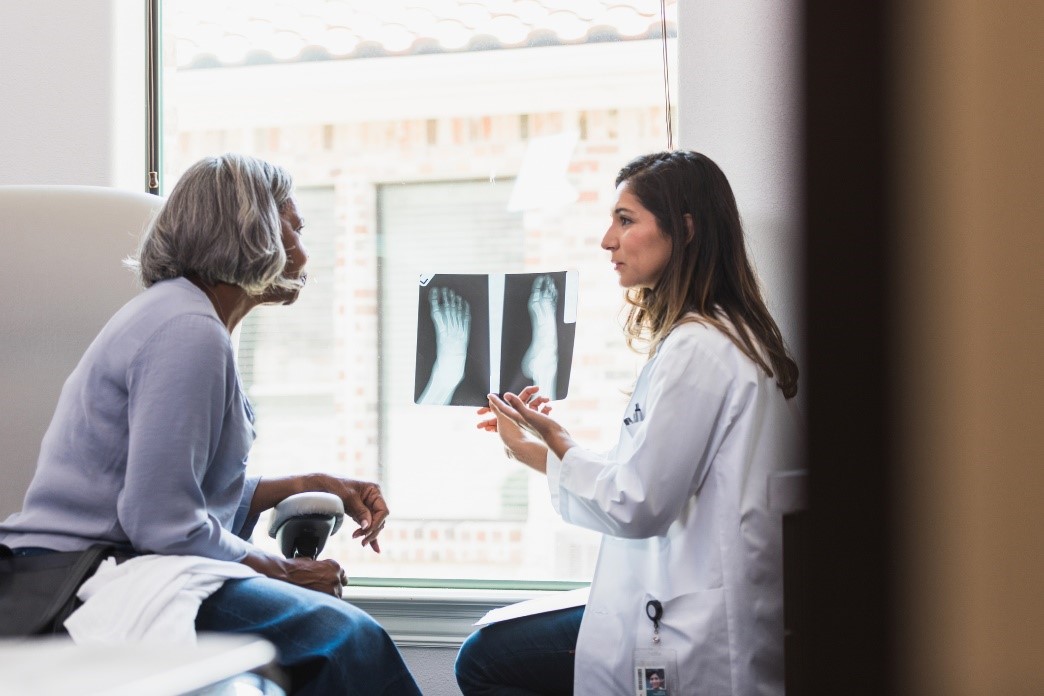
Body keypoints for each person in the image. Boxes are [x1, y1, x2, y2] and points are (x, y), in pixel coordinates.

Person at [0, 153, 421, 696]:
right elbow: (160, 521)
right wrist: (284, 571)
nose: (304, 250)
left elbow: (173, 489)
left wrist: (301, 485)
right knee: (342, 638)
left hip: (117, 561)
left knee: (341, 638)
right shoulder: (187, 331)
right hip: (85, 578)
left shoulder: (182, 317)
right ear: (254, 232)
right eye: (293, 227)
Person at [454, 150, 802, 695]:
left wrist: (547, 449)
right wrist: (546, 445)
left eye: (625, 220)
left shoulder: (699, 349)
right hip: (688, 599)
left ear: (683, 230)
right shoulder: (722, 337)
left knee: (484, 660)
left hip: (690, 626)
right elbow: (651, 476)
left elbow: (638, 502)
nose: (607, 240)